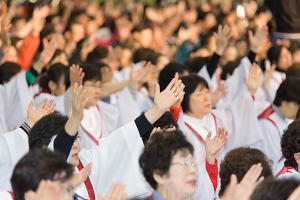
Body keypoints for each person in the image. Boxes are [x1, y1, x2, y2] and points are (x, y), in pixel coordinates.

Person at [29, 75, 185, 199]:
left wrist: (156, 110)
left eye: (76, 138)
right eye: (71, 139)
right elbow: (60, 147)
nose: (75, 144)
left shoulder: (86, 161)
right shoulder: (44, 177)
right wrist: (75, 117)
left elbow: (122, 139)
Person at [256, 77, 300, 171]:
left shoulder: (283, 118)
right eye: (297, 105)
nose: (298, 110)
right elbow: (273, 163)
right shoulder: (266, 124)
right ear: (284, 102)